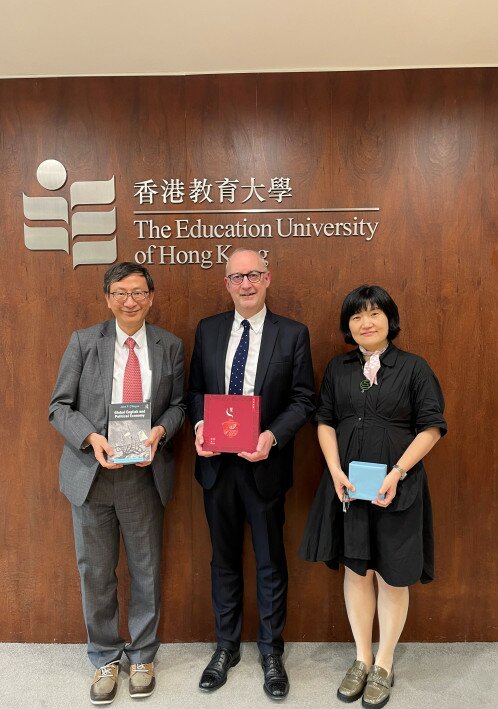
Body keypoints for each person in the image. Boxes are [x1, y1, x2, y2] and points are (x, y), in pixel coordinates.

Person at [300, 285, 447, 708]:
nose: (366, 323)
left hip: (397, 489)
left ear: (389, 319)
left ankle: (384, 663)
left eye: (374, 314)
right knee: (357, 570)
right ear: (348, 326)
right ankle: (361, 659)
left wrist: (398, 472)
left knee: (392, 574)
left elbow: (432, 427)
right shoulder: (338, 368)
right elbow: (324, 420)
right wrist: (333, 470)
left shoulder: (414, 368)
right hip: (349, 488)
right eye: (357, 317)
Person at [49, 262, 185, 705]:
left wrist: (161, 432)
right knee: (96, 571)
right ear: (108, 298)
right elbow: (59, 407)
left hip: (143, 477)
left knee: (146, 569)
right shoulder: (84, 342)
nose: (131, 301)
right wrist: (92, 438)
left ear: (151, 296)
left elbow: (180, 406)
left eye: (139, 292)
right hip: (92, 475)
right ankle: (105, 656)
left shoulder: (170, 345)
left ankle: (143, 655)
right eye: (121, 293)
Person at [188, 248, 315, 700]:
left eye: (254, 275)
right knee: (223, 559)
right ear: (226, 283)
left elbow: (304, 399)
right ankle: (226, 646)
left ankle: (270, 650)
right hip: (217, 468)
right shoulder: (208, 329)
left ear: (267, 278)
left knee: (269, 562)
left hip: (265, 468)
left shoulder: (293, 334)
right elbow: (196, 393)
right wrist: (201, 424)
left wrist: (272, 437)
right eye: (237, 277)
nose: (245, 284)